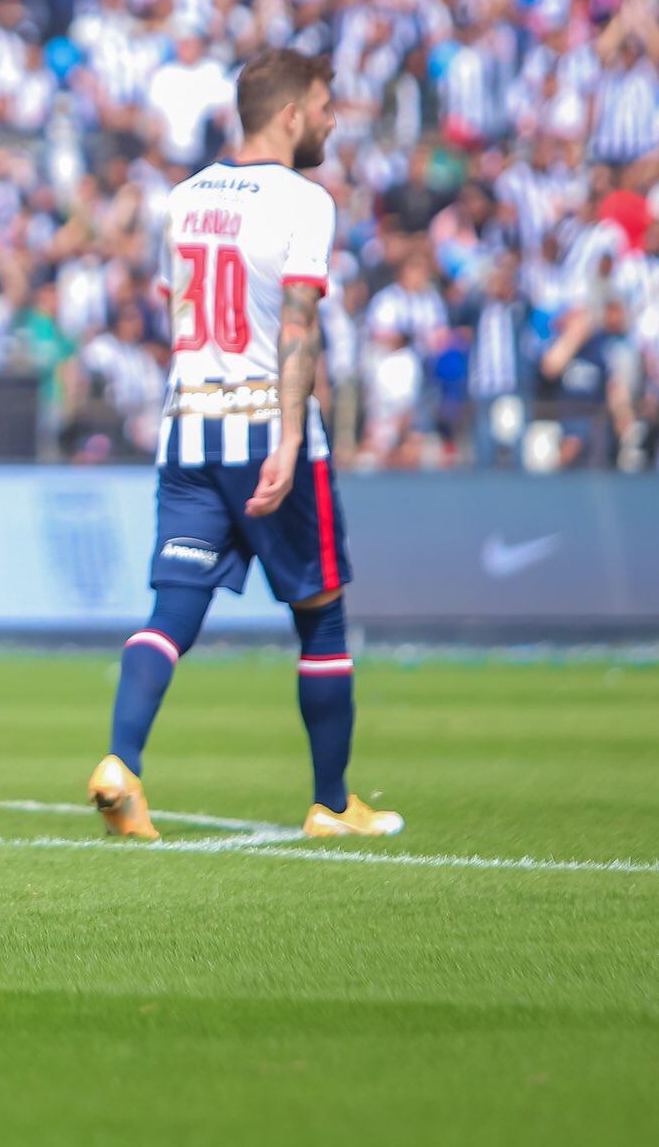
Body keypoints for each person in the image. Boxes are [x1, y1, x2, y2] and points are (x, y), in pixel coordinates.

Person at [89, 49, 404, 842]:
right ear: (292, 112)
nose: (334, 118)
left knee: (171, 611)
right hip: (269, 422)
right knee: (320, 615)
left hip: (189, 424)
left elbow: (178, 310)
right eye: (327, 104)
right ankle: (332, 805)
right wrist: (292, 437)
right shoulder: (305, 199)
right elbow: (298, 321)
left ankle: (121, 763)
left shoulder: (182, 198)